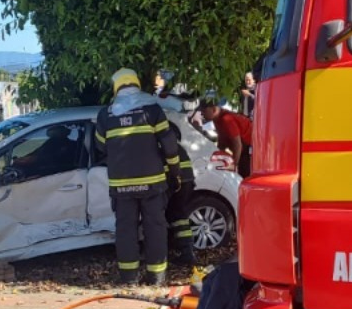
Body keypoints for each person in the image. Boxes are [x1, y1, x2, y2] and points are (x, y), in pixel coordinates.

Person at [96, 68, 181, 286]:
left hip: (121, 187)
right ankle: (156, 278)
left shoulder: (106, 115)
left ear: (116, 87)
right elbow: (170, 145)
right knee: (155, 228)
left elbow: (100, 147)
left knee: (126, 231)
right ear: (136, 84)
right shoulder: (152, 110)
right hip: (152, 184)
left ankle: (129, 279)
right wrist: (175, 173)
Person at [166, 122, 196, 266]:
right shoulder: (179, 148)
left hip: (178, 183)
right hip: (187, 182)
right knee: (179, 216)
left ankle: (186, 254)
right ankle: (187, 251)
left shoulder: (165, 147)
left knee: (175, 216)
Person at [200, 101, 252, 178]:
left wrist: (234, 164)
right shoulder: (217, 119)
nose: (202, 114)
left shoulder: (226, 119)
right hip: (243, 149)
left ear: (213, 109)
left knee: (243, 175)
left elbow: (238, 145)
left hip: (248, 149)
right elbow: (222, 141)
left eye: (204, 111)